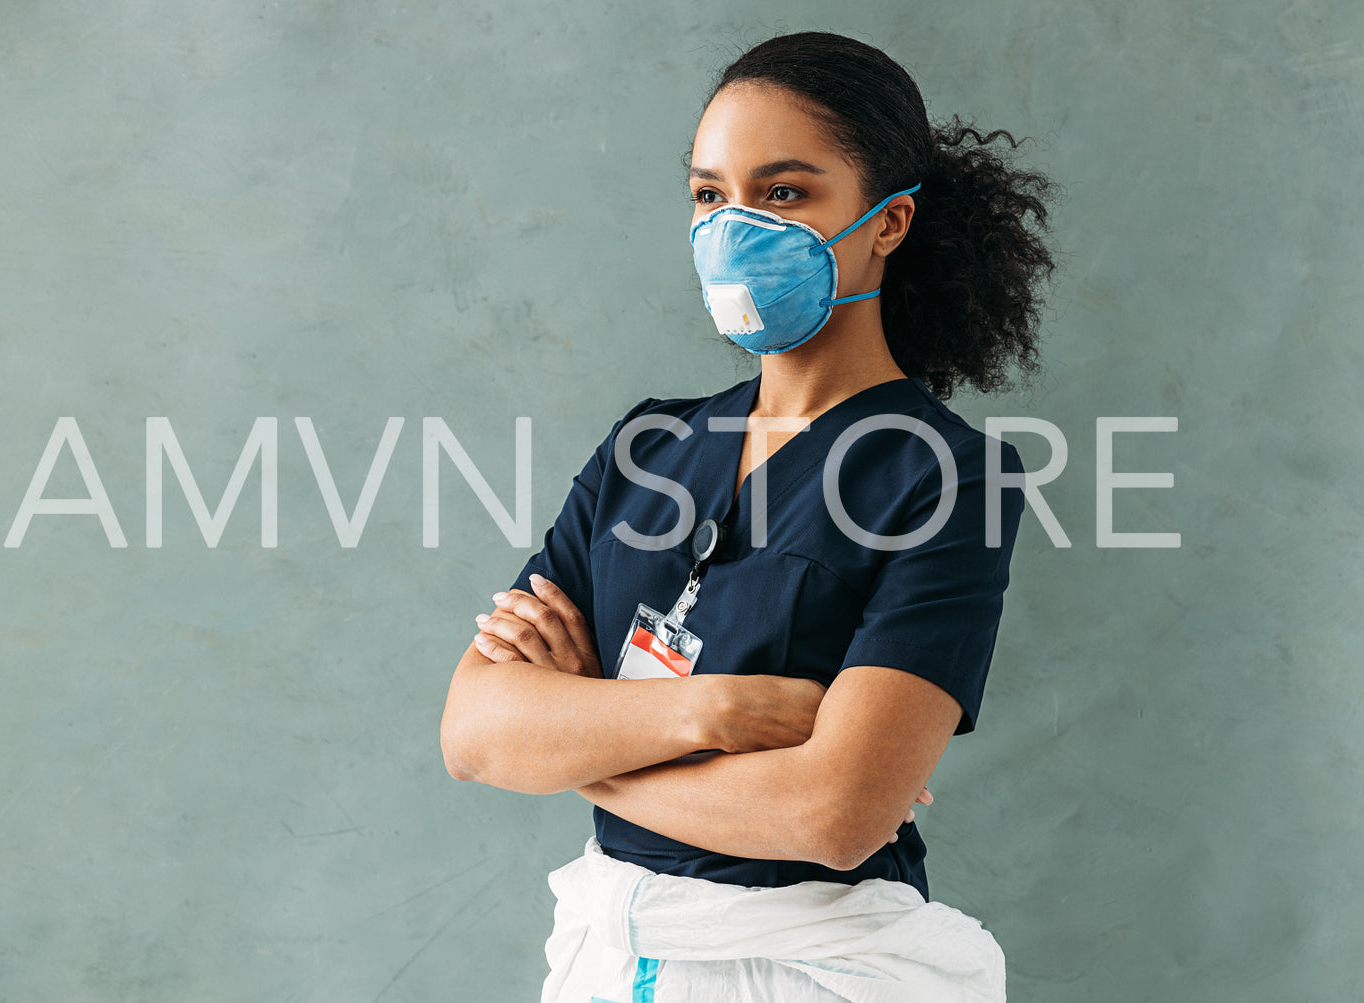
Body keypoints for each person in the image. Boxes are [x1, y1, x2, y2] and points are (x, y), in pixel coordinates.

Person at [440, 30, 1055, 1003]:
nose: (732, 227)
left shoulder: (944, 479)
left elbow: (834, 814)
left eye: (782, 192)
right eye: (707, 194)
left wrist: (583, 749)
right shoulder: (646, 448)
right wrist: (711, 712)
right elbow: (474, 729)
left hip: (815, 970)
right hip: (613, 956)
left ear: (887, 222)